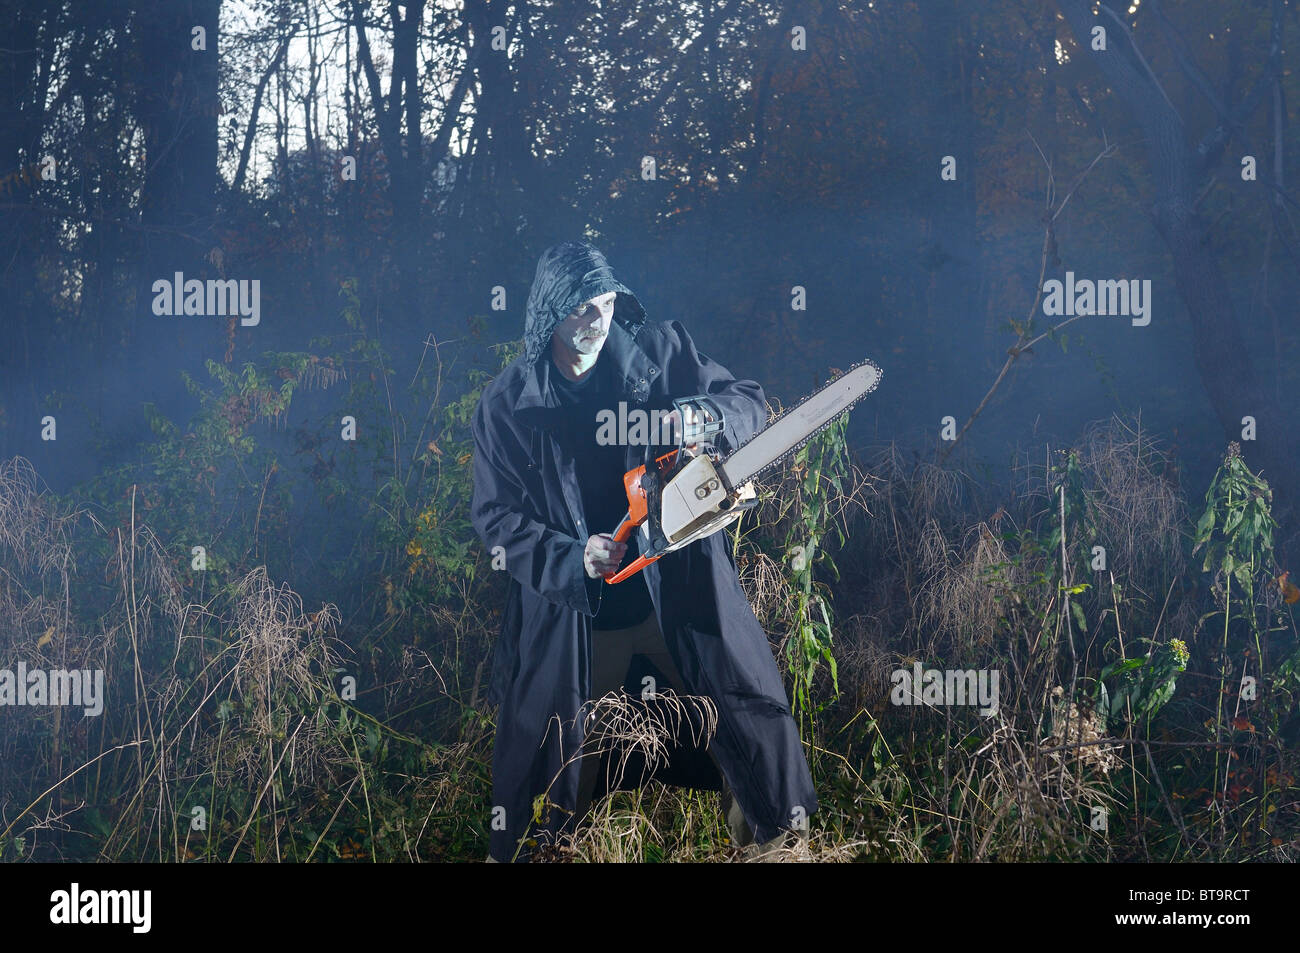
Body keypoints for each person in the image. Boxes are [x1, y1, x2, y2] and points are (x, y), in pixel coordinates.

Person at [470, 239, 816, 862]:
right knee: (551, 759)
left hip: (679, 593)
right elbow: (496, 520)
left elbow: (750, 402)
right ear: (550, 315)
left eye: (604, 303)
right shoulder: (508, 406)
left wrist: (700, 419)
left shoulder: (660, 354)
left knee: (747, 716)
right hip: (577, 616)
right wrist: (573, 556)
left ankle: (780, 847)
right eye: (580, 308)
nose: (597, 321)